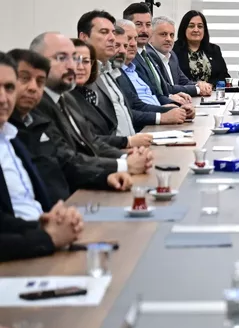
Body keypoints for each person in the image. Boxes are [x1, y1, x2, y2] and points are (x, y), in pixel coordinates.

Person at [8, 49, 133, 199]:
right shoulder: (39, 112)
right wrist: (124, 163)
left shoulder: (40, 117)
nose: (33, 87)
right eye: (24, 78)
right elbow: (68, 161)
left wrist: (106, 177)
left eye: (40, 81)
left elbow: (64, 162)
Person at [0, 51, 86, 255]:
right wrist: (48, 237)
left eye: (9, 88)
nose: (3, 99)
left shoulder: (10, 139)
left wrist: (42, 222)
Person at [69, 39, 152, 150]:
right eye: (75, 60)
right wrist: (127, 144)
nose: (81, 67)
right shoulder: (64, 98)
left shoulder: (88, 92)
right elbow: (86, 141)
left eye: (86, 61)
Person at [115, 22, 191, 124]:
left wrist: (180, 109)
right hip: (143, 127)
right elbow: (129, 110)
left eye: (135, 38)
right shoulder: (117, 72)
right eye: (128, 40)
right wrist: (162, 116)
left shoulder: (134, 68)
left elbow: (151, 98)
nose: (133, 44)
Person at [122, 3, 192, 106]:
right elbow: (139, 101)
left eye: (148, 25)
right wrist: (169, 105)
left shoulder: (147, 54)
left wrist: (169, 97)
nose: (144, 30)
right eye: (139, 24)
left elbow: (156, 92)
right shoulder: (128, 58)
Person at [146, 15, 212, 97]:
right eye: (163, 34)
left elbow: (184, 82)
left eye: (171, 35)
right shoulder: (148, 56)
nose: (169, 39)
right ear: (150, 36)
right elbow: (166, 88)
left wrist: (200, 85)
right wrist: (198, 90)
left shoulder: (172, 55)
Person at [172, 10, 230, 86]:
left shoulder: (214, 49)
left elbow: (224, 77)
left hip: (212, 92)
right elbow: (174, 80)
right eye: (191, 26)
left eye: (200, 26)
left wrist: (208, 86)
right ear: (184, 28)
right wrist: (197, 86)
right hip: (186, 92)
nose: (196, 30)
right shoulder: (174, 50)